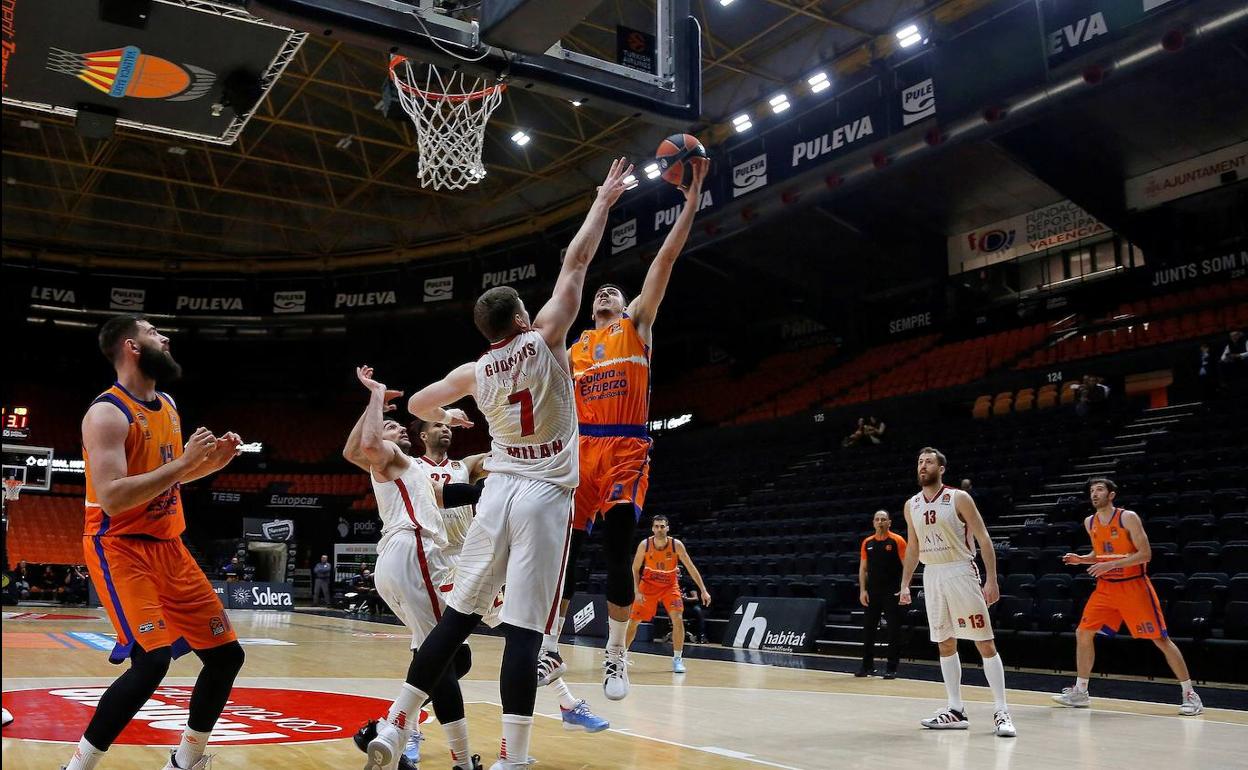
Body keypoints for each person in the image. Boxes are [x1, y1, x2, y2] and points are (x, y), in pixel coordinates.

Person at [363, 157, 633, 770]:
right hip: (542, 493)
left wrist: (454, 415)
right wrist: (603, 200)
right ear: (521, 318)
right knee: (524, 630)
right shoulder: (547, 338)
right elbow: (577, 262)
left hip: (498, 492)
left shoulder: (475, 371)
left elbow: (425, 400)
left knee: (456, 618)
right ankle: (514, 756)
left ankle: (395, 721)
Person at [544, 155, 709, 705]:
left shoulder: (636, 325)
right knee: (562, 552)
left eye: (612, 291)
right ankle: (549, 644)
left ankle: (616, 656)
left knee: (617, 552)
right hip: (580, 449)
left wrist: (689, 206)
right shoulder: (574, 349)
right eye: (600, 293)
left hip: (625, 447)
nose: (605, 294)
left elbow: (663, 262)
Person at [70, 314, 245, 770]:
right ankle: (78, 766)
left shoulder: (167, 404)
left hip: (169, 546)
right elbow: (111, 498)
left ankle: (186, 761)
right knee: (151, 662)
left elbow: (169, 481)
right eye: (153, 333)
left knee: (227, 656)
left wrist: (210, 463)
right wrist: (187, 461)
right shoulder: (107, 413)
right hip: (120, 546)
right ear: (131, 347)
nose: (164, 338)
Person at [343, 365, 492, 770]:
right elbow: (369, 444)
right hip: (415, 553)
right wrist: (375, 396)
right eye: (393, 427)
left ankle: (391, 732)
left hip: (397, 562)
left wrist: (374, 405)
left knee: (452, 658)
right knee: (445, 654)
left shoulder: (402, 470)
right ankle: (452, 757)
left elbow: (351, 450)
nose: (400, 431)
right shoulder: (393, 460)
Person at [1052, 479, 1203, 715]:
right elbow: (1100, 553)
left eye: (1099, 490)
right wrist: (1082, 559)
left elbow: (1145, 554)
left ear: (1111, 495)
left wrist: (1110, 564)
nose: (1094, 494)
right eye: (1091, 490)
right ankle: (1081, 691)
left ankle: (1190, 695)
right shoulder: (1089, 522)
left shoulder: (1127, 517)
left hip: (1134, 587)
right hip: (1105, 588)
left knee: (1160, 639)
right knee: (1083, 632)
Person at [898, 447, 1015, 738]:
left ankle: (1002, 710)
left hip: (961, 570)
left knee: (984, 643)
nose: (923, 466)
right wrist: (905, 583)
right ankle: (955, 710)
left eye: (929, 462)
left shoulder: (958, 498)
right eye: (920, 462)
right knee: (945, 643)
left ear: (942, 468)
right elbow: (913, 547)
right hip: (933, 574)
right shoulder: (911, 504)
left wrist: (992, 580)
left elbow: (984, 538)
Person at [624, 514, 710, 673]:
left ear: (668, 528)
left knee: (678, 618)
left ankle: (677, 659)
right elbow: (635, 569)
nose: (659, 529)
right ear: (652, 528)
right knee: (634, 621)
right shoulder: (645, 545)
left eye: (662, 526)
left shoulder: (676, 545)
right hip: (648, 586)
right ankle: (621, 655)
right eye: (656, 526)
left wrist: (703, 590)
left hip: (670, 586)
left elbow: (691, 567)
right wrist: (636, 591)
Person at [857, 510, 906, 679]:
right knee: (869, 630)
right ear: (873, 522)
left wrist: (904, 588)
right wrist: (863, 590)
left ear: (889, 522)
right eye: (877, 519)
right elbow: (863, 569)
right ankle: (867, 666)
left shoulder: (897, 540)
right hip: (873, 592)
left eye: (883, 519)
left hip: (892, 592)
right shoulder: (867, 543)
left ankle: (891, 668)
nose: (880, 522)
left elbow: (907, 566)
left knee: (893, 630)